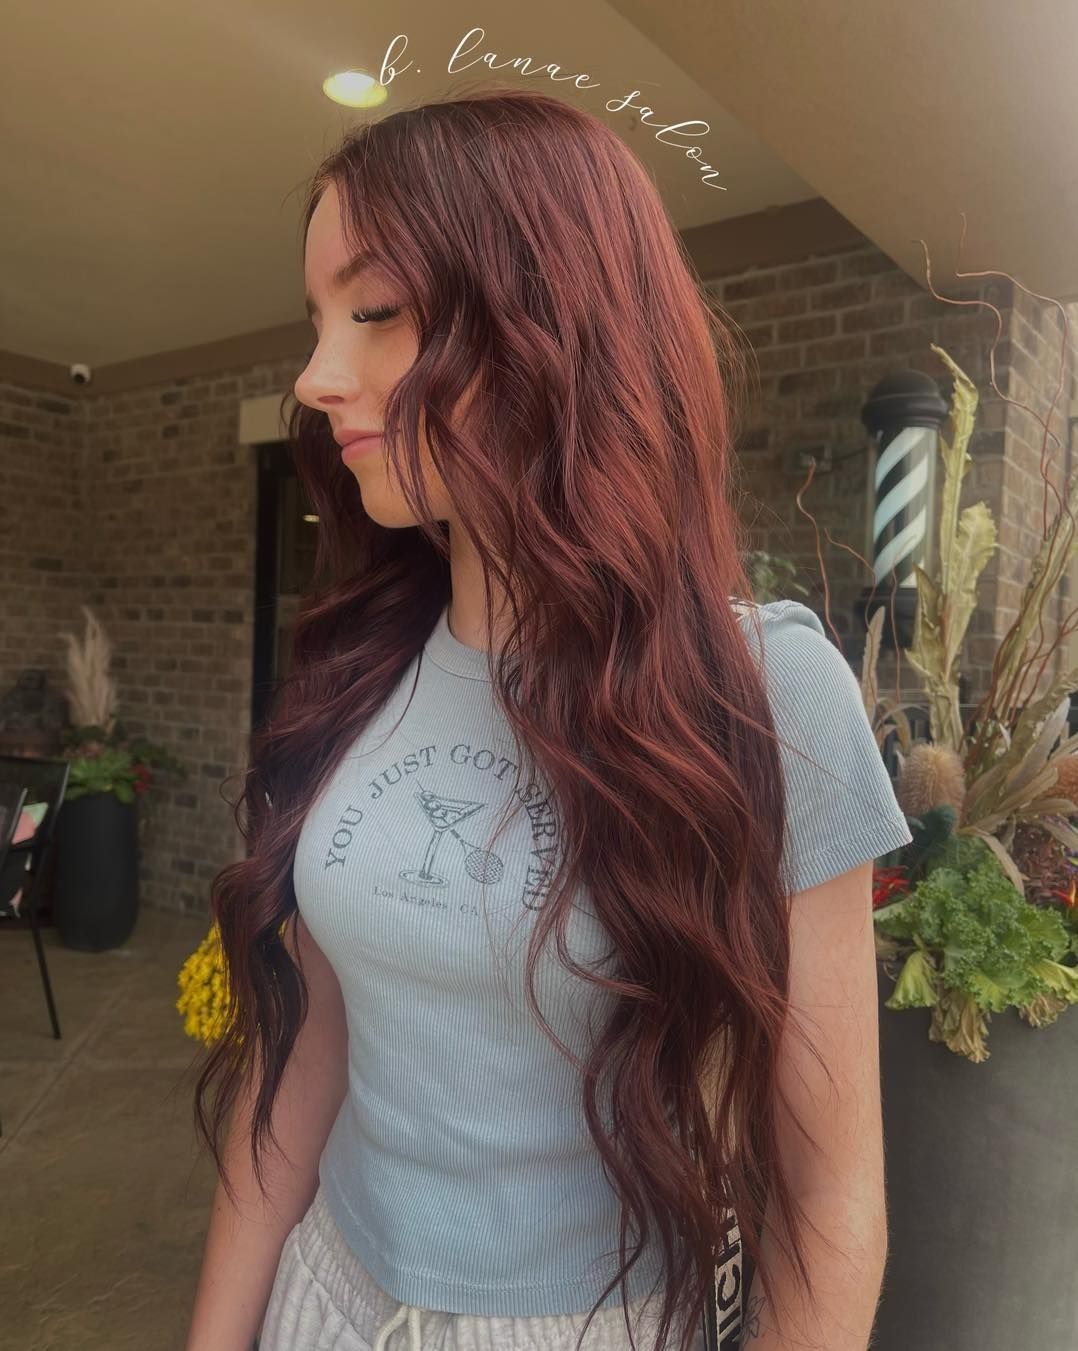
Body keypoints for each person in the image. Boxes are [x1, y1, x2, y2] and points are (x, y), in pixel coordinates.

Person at [184, 86, 911, 1351]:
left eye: (377, 312)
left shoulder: (764, 696)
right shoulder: (362, 666)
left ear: (547, 322)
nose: (315, 375)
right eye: (318, 319)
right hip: (326, 1298)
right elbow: (300, 1065)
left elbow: (831, 1200)